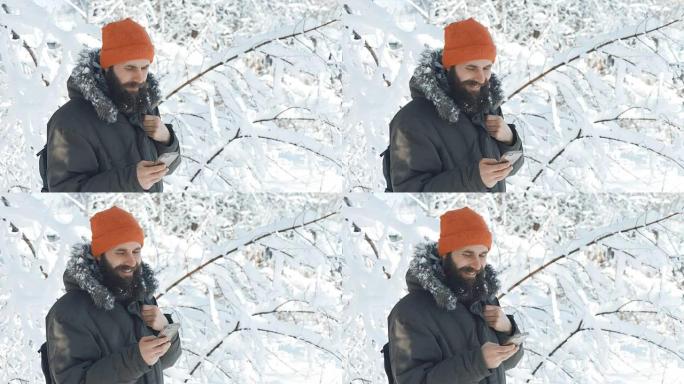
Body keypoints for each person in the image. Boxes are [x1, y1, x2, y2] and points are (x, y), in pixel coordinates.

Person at [384, 18, 524, 192]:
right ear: (449, 67)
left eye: (486, 68)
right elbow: (409, 195)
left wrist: (509, 140)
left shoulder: (485, 105)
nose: (481, 78)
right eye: (471, 68)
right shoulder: (412, 120)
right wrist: (474, 178)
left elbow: (511, 168)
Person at [42, 18, 181, 192]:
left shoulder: (142, 105)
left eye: (144, 67)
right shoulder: (69, 121)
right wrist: (131, 180)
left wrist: (166, 139)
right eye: (130, 68)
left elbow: (170, 166)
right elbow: (65, 193)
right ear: (107, 67)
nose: (139, 77)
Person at [45, 206, 181, 383]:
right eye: (121, 252)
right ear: (99, 256)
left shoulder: (140, 298)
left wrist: (165, 330)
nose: (131, 261)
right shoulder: (69, 312)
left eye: (136, 251)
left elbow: (166, 361)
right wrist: (136, 360)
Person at [387, 207, 524, 383]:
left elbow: (508, 362)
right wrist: (478, 363)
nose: (476, 264)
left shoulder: (484, 299)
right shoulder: (410, 312)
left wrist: (508, 331)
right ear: (446, 255)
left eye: (482, 255)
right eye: (467, 254)